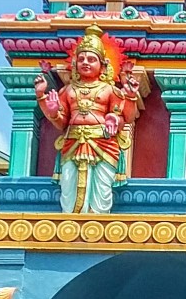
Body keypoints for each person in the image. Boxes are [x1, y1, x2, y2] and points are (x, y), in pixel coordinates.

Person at [34, 26, 146, 215]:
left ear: (103, 65)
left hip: (103, 143)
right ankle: (70, 220)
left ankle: (97, 220)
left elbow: (126, 116)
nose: (86, 62)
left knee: (102, 185)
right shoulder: (68, 90)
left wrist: (120, 112)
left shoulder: (109, 90)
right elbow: (61, 123)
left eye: (92, 59)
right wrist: (45, 102)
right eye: (82, 59)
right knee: (68, 183)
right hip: (72, 143)